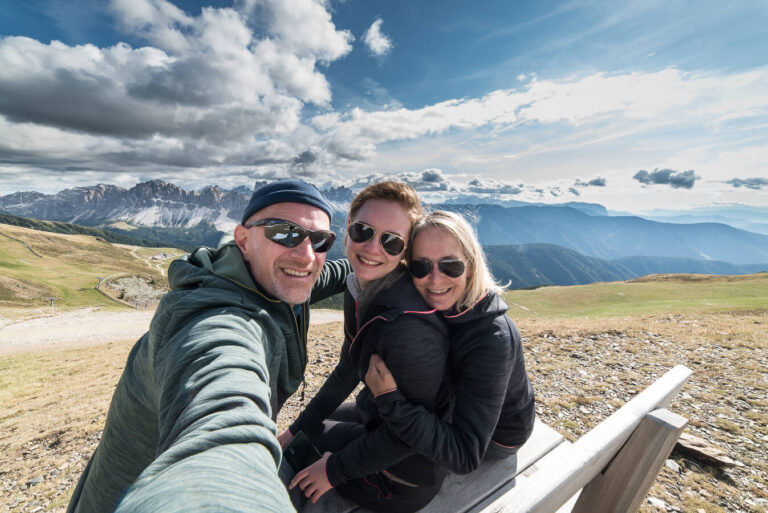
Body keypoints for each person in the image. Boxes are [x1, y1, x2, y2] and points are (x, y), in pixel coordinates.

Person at [66, 180, 351, 513]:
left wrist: (389, 258)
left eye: (320, 240)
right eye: (285, 233)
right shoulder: (213, 319)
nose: (306, 255)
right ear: (244, 240)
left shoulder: (269, 276)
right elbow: (220, 413)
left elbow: (336, 269)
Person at [278, 181, 452, 513]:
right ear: (348, 229)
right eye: (363, 231)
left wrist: (333, 469)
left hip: (405, 478)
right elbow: (349, 365)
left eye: (391, 241)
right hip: (383, 420)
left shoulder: (408, 329)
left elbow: (414, 436)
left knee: (297, 455)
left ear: (406, 251)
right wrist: (295, 428)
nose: (373, 249)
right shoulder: (359, 285)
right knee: (305, 432)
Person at [365, 209, 535, 475]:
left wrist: (390, 401)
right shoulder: (448, 305)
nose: (435, 279)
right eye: (421, 266)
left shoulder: (492, 339)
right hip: (454, 407)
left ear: (470, 266)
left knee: (379, 444)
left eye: (450, 266)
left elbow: (465, 455)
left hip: (498, 439)